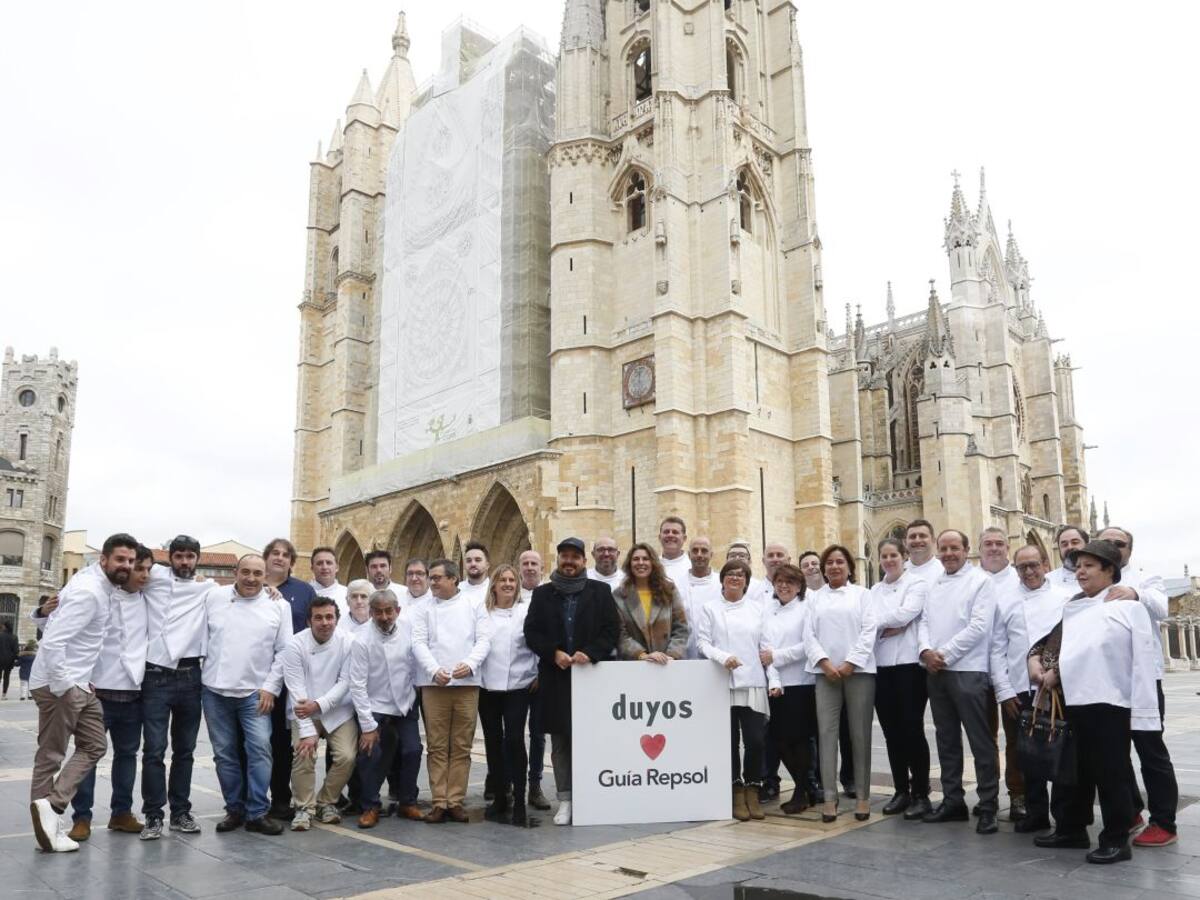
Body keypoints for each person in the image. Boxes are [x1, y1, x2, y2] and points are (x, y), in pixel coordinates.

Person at [1029, 540, 1158, 865]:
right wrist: (1044, 667)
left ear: (1109, 570)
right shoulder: (1073, 606)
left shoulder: (1129, 608)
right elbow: (1062, 649)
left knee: (1110, 773)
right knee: (1074, 771)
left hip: (1110, 702)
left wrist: (1143, 714)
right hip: (1074, 701)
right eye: (1078, 566)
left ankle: (1116, 839)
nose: (1080, 572)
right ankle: (1072, 828)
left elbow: (1142, 664)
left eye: (1089, 566)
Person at [29, 533, 137, 853]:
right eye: (120, 559)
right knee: (51, 755)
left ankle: (53, 806)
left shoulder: (96, 584)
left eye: (130, 561)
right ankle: (47, 831)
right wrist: (66, 686)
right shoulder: (89, 591)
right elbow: (53, 642)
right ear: (103, 559)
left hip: (78, 682)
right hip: (58, 685)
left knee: (94, 745)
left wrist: (81, 681)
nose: (126, 566)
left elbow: (55, 624)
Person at [524, 537, 620, 826]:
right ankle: (565, 798)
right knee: (561, 742)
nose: (569, 562)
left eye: (574, 557)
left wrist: (589, 653)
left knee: (593, 739)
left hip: (590, 677)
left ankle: (592, 795)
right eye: (564, 556)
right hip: (556, 678)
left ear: (583, 562)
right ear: (558, 560)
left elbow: (611, 630)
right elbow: (532, 632)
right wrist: (553, 653)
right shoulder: (542, 594)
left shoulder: (601, 592)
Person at [65, 544, 153, 841]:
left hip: (133, 694)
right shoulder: (98, 595)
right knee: (87, 756)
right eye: (135, 567)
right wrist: (40, 612)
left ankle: (121, 813)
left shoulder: (148, 599)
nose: (141, 574)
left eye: (145, 568)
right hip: (97, 693)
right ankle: (81, 818)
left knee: (127, 756)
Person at [201, 553, 293, 836]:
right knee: (225, 754)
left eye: (258, 573)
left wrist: (270, 688)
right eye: (246, 572)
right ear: (235, 572)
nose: (251, 578)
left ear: (265, 576)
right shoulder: (213, 597)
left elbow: (284, 652)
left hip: (255, 694)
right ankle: (235, 810)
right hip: (215, 691)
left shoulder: (278, 606)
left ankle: (257, 812)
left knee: (260, 750)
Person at [1099, 526, 1178, 848]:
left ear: (1130, 549)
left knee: (1150, 751)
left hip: (1144, 680)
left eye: (1120, 544)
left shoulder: (1145, 578)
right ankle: (1130, 811)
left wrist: (1135, 593)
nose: (1114, 548)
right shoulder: (1095, 581)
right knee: (1113, 753)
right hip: (1107, 681)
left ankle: (1164, 822)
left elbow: (1163, 608)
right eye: (1106, 543)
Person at [917, 529, 999, 834]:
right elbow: (924, 621)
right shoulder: (935, 583)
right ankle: (953, 801)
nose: (949, 553)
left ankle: (988, 805)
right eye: (944, 548)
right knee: (946, 739)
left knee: (981, 742)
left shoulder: (981, 582)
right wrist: (925, 651)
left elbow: (979, 626)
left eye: (955, 548)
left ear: (967, 551)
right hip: (937, 672)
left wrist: (944, 654)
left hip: (968, 670)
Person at [990, 543, 1069, 834]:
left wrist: (1056, 674)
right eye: (1022, 567)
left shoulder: (1065, 598)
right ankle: (1036, 813)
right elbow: (997, 649)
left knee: (1062, 752)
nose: (1029, 571)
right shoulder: (1005, 601)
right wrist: (1004, 691)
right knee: (1028, 755)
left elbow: (1072, 641)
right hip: (1020, 689)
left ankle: (1064, 816)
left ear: (1046, 564)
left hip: (1059, 687)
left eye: (1034, 565)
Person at [140, 534, 214, 840]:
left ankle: (180, 812)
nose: (185, 562)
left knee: (185, 750)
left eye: (190, 557)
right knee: (154, 750)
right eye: (179, 556)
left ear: (197, 558)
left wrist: (271, 591)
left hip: (190, 674)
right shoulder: (153, 577)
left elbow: (241, 591)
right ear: (169, 557)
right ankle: (153, 816)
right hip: (155, 675)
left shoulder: (206, 586)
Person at [412, 558, 491, 823]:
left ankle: (455, 800)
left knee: (460, 745)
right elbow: (419, 643)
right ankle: (438, 801)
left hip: (467, 684)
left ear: (453, 579)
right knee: (436, 745)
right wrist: (434, 670)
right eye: (430, 578)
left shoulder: (474, 603)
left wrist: (469, 665)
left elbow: (484, 639)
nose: (431, 582)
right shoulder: (424, 608)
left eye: (436, 578)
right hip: (434, 685)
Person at [804, 545, 876, 823]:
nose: (834, 566)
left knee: (860, 735)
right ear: (823, 568)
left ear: (849, 566)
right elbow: (808, 633)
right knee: (827, 734)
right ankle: (830, 798)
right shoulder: (814, 598)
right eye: (830, 562)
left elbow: (869, 630)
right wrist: (824, 662)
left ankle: (862, 797)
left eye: (840, 562)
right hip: (826, 674)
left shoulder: (863, 595)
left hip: (858, 672)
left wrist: (851, 662)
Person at [697, 558, 767, 821]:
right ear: (722, 578)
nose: (735, 578)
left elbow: (765, 647)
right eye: (730, 573)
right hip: (722, 681)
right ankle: (735, 791)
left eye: (741, 574)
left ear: (747, 581)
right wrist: (722, 657)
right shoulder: (710, 608)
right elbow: (703, 642)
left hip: (752, 682)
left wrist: (775, 680)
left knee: (755, 741)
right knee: (728, 741)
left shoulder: (758, 609)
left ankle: (753, 789)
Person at [281, 596, 358, 831]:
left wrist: (321, 705)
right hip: (303, 710)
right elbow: (296, 688)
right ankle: (304, 808)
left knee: (347, 756)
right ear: (309, 621)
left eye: (329, 617)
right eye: (318, 618)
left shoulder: (349, 641)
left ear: (337, 619)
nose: (324, 623)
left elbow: (346, 681)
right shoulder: (295, 644)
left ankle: (327, 801)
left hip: (337, 710)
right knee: (304, 753)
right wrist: (307, 730)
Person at [869, 537, 932, 820]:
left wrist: (892, 621)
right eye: (884, 556)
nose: (888, 560)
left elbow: (908, 612)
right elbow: (869, 621)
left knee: (912, 730)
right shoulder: (874, 590)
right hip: (882, 667)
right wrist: (893, 622)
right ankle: (900, 790)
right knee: (891, 732)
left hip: (909, 667)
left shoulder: (916, 584)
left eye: (893, 555)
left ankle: (921, 793)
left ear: (904, 556)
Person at [348, 589, 422, 828]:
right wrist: (368, 726)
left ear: (397, 611)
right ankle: (370, 806)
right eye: (378, 612)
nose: (384, 616)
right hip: (375, 706)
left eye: (389, 611)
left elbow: (415, 665)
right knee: (372, 753)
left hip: (405, 703)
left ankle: (407, 801)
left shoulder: (409, 632)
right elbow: (357, 685)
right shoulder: (361, 640)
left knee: (412, 750)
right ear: (371, 613)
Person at [479, 565, 538, 826]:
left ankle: (520, 801)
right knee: (493, 741)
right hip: (488, 686)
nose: (507, 584)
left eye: (511, 580)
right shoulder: (482, 613)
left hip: (518, 685)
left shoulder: (526, 611)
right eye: (502, 580)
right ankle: (501, 797)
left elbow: (537, 642)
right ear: (493, 585)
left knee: (514, 739)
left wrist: (537, 673)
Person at [263, 537, 317, 820]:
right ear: (266, 557)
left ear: (292, 562)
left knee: (285, 742)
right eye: (275, 553)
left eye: (285, 555)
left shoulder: (303, 590)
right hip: (262, 678)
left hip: (294, 679)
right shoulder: (253, 586)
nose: (280, 558)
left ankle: (282, 799)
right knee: (261, 741)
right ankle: (254, 799)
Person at [760, 563, 816, 815]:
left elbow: (807, 645)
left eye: (790, 582)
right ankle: (807, 788)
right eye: (780, 581)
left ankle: (801, 790)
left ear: (799, 586)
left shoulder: (806, 608)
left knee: (800, 740)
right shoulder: (768, 610)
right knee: (778, 740)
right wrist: (773, 680)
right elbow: (764, 650)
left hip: (802, 683)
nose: (784, 586)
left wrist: (776, 657)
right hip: (778, 686)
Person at [979, 527, 1022, 821]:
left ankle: (1018, 794)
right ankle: (989, 796)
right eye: (988, 544)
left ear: (1007, 548)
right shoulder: (972, 579)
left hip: (1012, 669)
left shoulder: (1019, 580)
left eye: (998, 544)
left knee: (1016, 736)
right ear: (980, 549)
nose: (993, 548)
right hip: (979, 668)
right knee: (985, 737)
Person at [614, 543, 689, 662]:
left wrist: (671, 655)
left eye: (645, 559)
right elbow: (620, 634)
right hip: (634, 664)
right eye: (635, 559)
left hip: (667, 664)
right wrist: (642, 655)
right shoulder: (619, 595)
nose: (640, 563)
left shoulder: (669, 590)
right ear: (629, 564)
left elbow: (681, 628)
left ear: (653, 563)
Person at [517, 550, 550, 811]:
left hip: (541, 678)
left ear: (542, 567)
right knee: (514, 735)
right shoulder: (511, 597)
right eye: (525, 564)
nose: (529, 568)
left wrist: (541, 672)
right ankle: (512, 784)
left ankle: (535, 786)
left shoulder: (550, 596)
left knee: (538, 735)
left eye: (534, 564)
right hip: (516, 679)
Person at [676, 537, 722, 660]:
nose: (699, 555)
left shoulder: (722, 584)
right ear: (689, 554)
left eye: (704, 551)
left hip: (718, 654)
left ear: (711, 554)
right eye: (695, 551)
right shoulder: (677, 585)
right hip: (685, 654)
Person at [309, 546, 348, 616]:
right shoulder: (304, 593)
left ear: (337, 567)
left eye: (329, 563)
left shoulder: (348, 594)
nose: (324, 567)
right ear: (312, 568)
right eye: (319, 563)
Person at [1048, 526, 1088, 590]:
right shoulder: (1048, 581)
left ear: (1087, 545)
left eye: (1075, 542)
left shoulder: (1102, 578)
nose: (1069, 547)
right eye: (1064, 544)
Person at [904, 519, 943, 585]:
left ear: (933, 540)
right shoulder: (897, 572)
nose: (917, 540)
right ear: (905, 542)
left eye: (922, 536)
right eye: (912, 537)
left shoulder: (944, 570)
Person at [658, 516, 691, 585]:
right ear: (659, 537)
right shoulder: (652, 566)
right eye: (666, 532)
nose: (670, 535)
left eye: (675, 532)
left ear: (684, 538)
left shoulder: (692, 566)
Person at [0, 621, 18, 699]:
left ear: (5, 627)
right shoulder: (14, 637)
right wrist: (14, 659)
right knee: (6, 677)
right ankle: (4, 695)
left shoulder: (0, 635)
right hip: (9, 660)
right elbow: (16, 650)